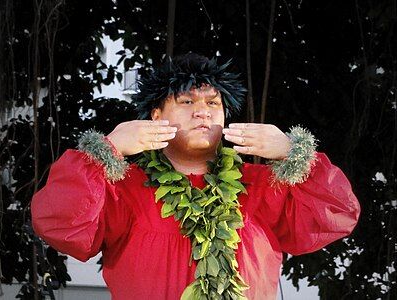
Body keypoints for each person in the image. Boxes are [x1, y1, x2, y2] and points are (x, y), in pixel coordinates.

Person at [31, 53, 360, 300]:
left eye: (212, 103)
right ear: (156, 116)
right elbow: (60, 223)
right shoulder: (122, 188)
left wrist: (294, 152)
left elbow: (338, 213)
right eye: (186, 101)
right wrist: (107, 148)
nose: (202, 110)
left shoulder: (263, 186)